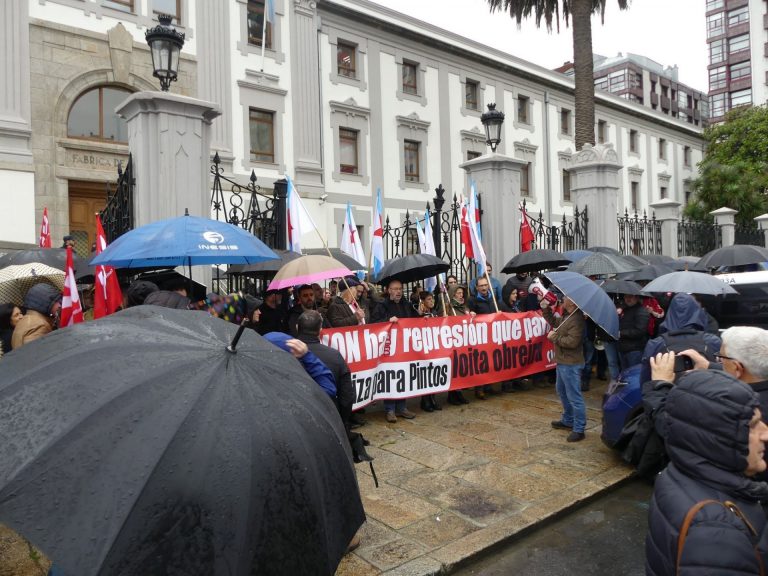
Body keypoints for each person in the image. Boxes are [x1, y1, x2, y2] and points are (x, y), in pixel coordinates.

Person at [644, 361, 768, 576]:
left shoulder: (680, 473)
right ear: (719, 438)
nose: (765, 434)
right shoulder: (715, 531)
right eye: (752, 425)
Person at [639, 293, 721, 386]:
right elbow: (727, 376)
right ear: (696, 311)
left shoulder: (655, 344)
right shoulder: (713, 341)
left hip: (668, 396)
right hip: (707, 394)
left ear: (670, 312)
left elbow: (645, 382)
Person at [297, 310, 354, 433]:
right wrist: (342, 420)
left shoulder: (285, 353)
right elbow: (347, 396)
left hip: (297, 420)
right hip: (330, 418)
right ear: (320, 329)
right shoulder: (334, 356)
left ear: (297, 327)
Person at [541, 293, 586, 442]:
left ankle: (579, 428)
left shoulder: (577, 319)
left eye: (566, 297)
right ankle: (568, 419)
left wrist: (554, 338)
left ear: (572, 302)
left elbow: (572, 342)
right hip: (562, 361)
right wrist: (546, 309)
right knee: (561, 391)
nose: (562, 299)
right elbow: (555, 322)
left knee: (574, 396)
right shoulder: (568, 315)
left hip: (571, 364)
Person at [372, 279, 417, 422]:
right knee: (390, 376)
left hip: (403, 347)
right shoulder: (381, 305)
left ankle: (402, 407)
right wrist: (387, 320)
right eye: (395, 289)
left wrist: (421, 314)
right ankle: (390, 409)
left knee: (403, 374)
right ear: (389, 290)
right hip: (389, 348)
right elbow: (373, 323)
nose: (398, 291)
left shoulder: (406, 304)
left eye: (400, 288)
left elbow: (415, 319)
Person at [468, 276, 498, 398]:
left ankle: (488, 386)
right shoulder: (473, 300)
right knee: (481, 362)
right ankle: (479, 388)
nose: (484, 288)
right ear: (477, 288)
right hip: (480, 336)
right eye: (481, 286)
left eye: (486, 285)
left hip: (492, 334)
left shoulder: (493, 298)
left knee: (491, 360)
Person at [11, 284, 62, 350]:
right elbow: (38, 355)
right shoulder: (39, 326)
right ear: (47, 303)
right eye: (58, 302)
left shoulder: (26, 320)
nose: (60, 305)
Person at [616, 292, 650, 370]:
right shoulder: (625, 310)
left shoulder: (642, 311)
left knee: (633, 373)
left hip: (635, 350)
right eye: (626, 296)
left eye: (631, 296)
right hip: (623, 347)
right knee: (625, 374)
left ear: (637, 298)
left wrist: (621, 333)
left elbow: (640, 331)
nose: (628, 299)